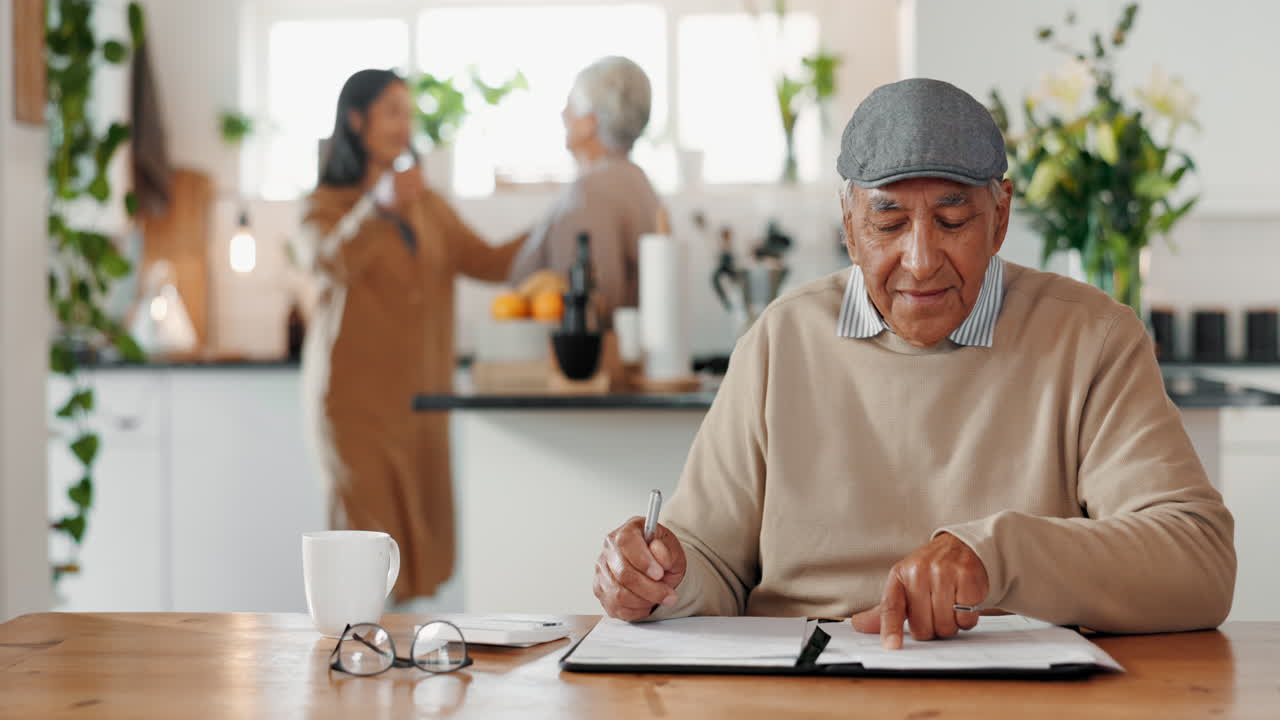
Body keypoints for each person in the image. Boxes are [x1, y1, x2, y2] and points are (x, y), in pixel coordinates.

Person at [591, 78, 1236, 649]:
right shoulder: (781, 340)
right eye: (889, 222)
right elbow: (709, 559)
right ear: (848, 223)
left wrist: (995, 558)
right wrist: (660, 579)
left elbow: (1197, 560)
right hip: (800, 692)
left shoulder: (1092, 338)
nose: (922, 259)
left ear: (1001, 216)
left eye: (953, 219)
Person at [294, 69, 524, 603]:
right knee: (365, 551)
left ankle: (398, 672)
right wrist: (377, 208)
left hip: (418, 406)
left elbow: (488, 260)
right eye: (391, 110)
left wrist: (558, 225)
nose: (405, 124)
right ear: (357, 120)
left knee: (416, 552)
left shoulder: (429, 204)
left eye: (407, 111)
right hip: (354, 409)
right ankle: (358, 663)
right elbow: (327, 261)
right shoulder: (326, 202)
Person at [509, 56, 660, 326]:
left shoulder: (590, 192)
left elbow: (594, 305)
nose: (563, 114)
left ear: (590, 121)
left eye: (570, 105)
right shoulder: (638, 181)